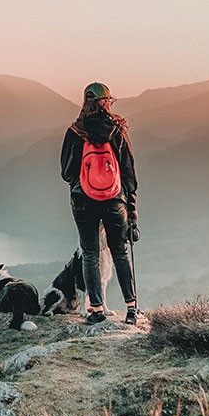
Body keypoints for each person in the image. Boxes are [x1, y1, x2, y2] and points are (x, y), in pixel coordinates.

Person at [60, 82, 140, 325]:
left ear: (85, 103)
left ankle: (96, 310)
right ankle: (131, 308)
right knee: (119, 252)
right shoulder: (117, 131)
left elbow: (65, 172)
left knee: (91, 254)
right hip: (115, 200)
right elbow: (128, 172)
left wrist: (81, 182)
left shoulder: (75, 132)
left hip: (83, 200)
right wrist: (132, 206)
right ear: (107, 102)